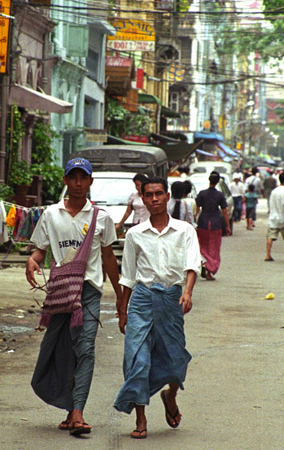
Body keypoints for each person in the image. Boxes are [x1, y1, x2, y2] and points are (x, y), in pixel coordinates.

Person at [25, 157, 122, 436]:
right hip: (60, 292)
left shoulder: (101, 217)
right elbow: (40, 250)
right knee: (62, 349)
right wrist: (33, 261)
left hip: (89, 291)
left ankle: (78, 411)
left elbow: (108, 257)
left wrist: (119, 295)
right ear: (66, 180)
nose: (78, 183)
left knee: (86, 349)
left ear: (90, 182)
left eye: (83, 178)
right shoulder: (51, 214)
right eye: (73, 177)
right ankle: (70, 410)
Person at [113, 177, 201, 439]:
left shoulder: (185, 230)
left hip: (172, 299)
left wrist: (187, 292)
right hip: (141, 299)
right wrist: (123, 309)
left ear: (167, 196)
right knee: (137, 360)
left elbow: (192, 264)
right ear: (142, 198)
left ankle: (170, 395)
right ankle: (141, 418)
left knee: (176, 360)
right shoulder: (134, 234)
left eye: (159, 194)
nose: (153, 199)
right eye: (148, 195)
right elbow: (128, 275)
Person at [195, 171, 231, 280]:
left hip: (203, 223)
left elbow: (196, 209)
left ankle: (204, 263)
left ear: (209, 180)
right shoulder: (219, 195)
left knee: (203, 246)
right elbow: (225, 211)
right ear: (217, 181)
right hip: (215, 224)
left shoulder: (202, 194)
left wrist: (193, 221)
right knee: (214, 248)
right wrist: (228, 225)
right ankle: (210, 270)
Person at [265, 171, 284, 261]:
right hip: (283, 218)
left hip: (273, 218)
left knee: (270, 236)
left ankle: (268, 254)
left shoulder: (274, 191)